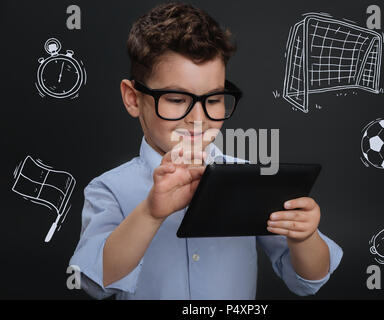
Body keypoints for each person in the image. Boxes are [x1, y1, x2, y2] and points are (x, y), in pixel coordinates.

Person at [69, 2, 343, 300]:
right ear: (133, 99)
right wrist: (150, 214)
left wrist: (305, 237)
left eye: (213, 100)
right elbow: (96, 282)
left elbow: (308, 281)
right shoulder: (109, 189)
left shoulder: (249, 178)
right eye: (176, 99)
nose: (198, 119)